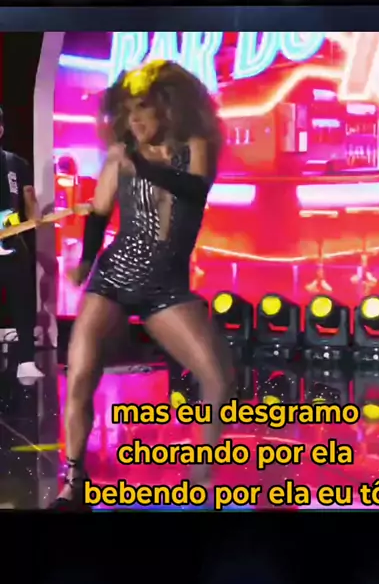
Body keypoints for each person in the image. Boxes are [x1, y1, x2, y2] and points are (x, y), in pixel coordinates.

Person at [50, 60, 234, 509]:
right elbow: (99, 213)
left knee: (219, 378)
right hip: (114, 277)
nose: (133, 120)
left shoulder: (194, 147)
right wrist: (86, 261)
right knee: (81, 374)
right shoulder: (122, 155)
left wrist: (139, 164)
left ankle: (201, 480)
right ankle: (73, 481)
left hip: (166, 287)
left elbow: (194, 191)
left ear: (167, 109)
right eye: (128, 112)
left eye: (143, 110)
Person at [0, 107, 44, 381]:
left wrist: (35, 217)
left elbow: (29, 199)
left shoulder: (15, 164)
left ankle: (26, 360)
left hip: (12, 242)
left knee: (23, 300)